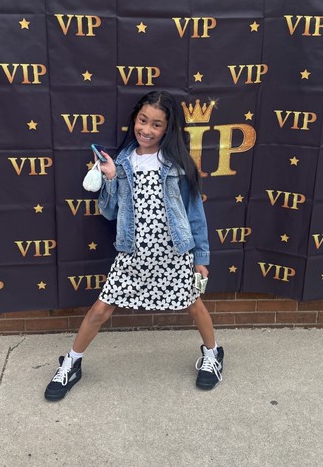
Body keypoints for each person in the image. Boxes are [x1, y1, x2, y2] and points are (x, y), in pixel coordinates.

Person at [45, 91, 224, 401]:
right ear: (135, 120)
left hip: (174, 253)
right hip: (133, 253)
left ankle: (213, 354)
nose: (147, 129)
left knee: (194, 305)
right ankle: (72, 363)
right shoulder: (124, 162)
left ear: (167, 129)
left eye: (156, 124)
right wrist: (111, 178)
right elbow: (110, 211)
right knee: (101, 308)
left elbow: (194, 212)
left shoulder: (178, 164)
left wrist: (201, 257)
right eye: (143, 120)